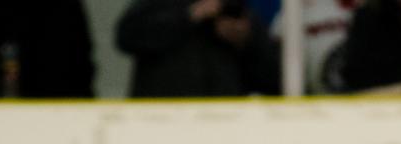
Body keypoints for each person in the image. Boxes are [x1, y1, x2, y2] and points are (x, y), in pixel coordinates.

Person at [116, 0, 281, 98]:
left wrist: (245, 41)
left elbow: (275, 82)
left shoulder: (237, 11)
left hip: (224, 122)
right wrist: (190, 15)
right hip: (163, 117)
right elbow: (127, 36)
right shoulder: (161, 5)